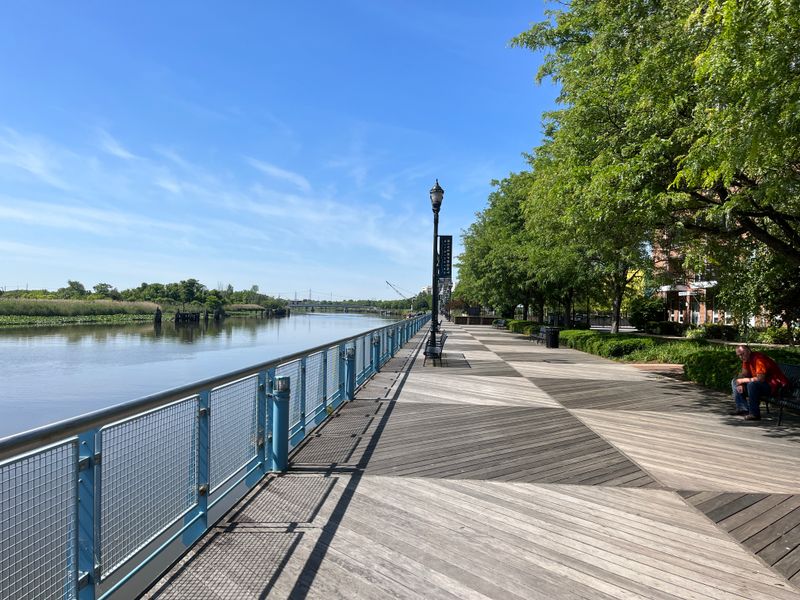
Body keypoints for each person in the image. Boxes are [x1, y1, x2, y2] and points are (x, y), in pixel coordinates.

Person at [730, 345, 789, 421]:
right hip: (762, 384)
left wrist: (742, 381)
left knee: (752, 385)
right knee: (735, 381)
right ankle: (742, 408)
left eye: (742, 354)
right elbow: (744, 374)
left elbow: (761, 379)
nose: (741, 357)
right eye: (739, 355)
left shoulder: (758, 359)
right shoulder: (746, 360)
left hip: (775, 386)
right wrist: (740, 383)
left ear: (748, 351)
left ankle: (755, 414)